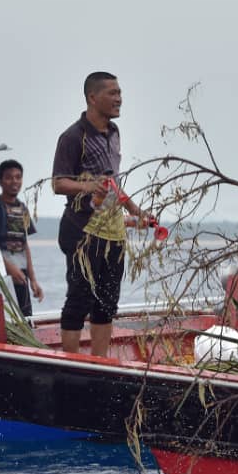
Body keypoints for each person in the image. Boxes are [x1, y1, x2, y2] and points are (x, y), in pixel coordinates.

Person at [51, 72, 149, 357]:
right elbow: (58, 183)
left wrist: (134, 210)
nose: (119, 99)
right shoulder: (72, 137)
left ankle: (100, 361)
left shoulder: (114, 133)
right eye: (112, 93)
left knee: (107, 303)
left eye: (120, 93)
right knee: (79, 299)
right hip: (83, 229)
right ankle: (70, 363)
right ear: (92, 98)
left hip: (113, 231)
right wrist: (88, 185)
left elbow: (111, 182)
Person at [0, 159, 44, 316]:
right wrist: (9, 267)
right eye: (9, 177)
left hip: (20, 274)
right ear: (0, 181)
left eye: (18, 177)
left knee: (25, 319)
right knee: (3, 319)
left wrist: (32, 279)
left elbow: (24, 245)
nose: (14, 181)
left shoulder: (22, 208)